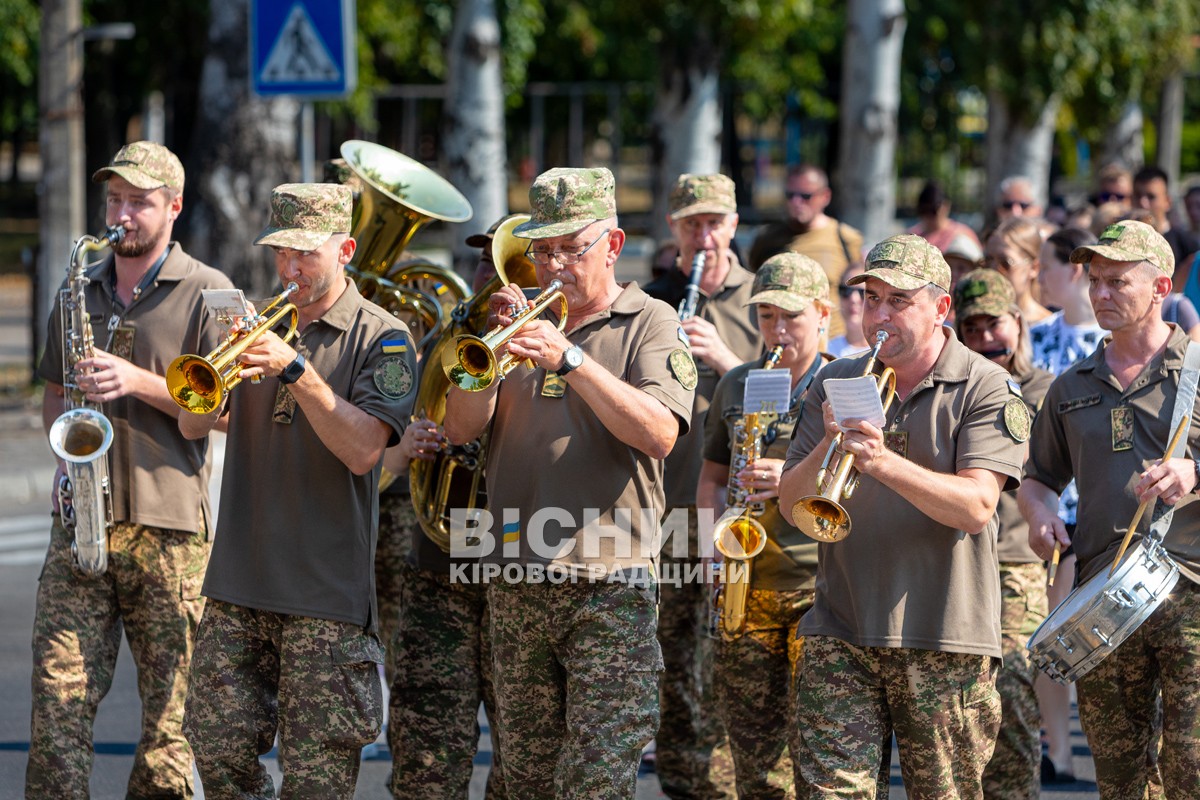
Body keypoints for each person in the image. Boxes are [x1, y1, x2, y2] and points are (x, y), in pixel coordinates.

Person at [442, 166, 695, 797]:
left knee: (593, 779)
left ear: (611, 245)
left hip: (608, 586)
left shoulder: (651, 322)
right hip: (515, 577)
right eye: (542, 250)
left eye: (569, 249)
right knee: (526, 779)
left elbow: (659, 433)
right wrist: (489, 354)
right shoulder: (522, 328)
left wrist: (571, 359)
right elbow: (456, 428)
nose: (553, 266)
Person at [180, 183, 417, 797]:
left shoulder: (384, 337)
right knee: (214, 746)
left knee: (316, 781)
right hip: (238, 581)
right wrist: (213, 368)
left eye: (306, 254)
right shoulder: (255, 320)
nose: (290, 268)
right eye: (282, 252)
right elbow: (190, 423)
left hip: (325, 596)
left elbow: (366, 451)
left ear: (345, 249)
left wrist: (296, 369)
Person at [778, 233, 1029, 797]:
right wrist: (828, 446)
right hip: (839, 628)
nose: (879, 316)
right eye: (871, 299)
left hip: (943, 638)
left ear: (941, 308)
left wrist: (882, 462)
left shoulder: (986, 385)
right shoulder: (835, 378)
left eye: (898, 301)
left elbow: (976, 507)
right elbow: (794, 507)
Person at [25, 141, 234, 800]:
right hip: (80, 523)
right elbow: (56, 392)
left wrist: (141, 382)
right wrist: (66, 460)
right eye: (114, 200)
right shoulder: (78, 286)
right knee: (56, 708)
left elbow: (233, 412)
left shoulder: (211, 293)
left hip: (169, 530)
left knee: (171, 724)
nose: (122, 215)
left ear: (172, 207)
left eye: (139, 202)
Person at [1019, 219, 1200, 799]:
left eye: (1118, 282)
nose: (1100, 294)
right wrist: (1040, 513)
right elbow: (1038, 478)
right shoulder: (1070, 386)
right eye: (1094, 280)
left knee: (1191, 768)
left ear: (1160, 287)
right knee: (1120, 778)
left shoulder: (1197, 371)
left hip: (1191, 589)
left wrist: (1194, 470)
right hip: (1105, 598)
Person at [696, 253, 832, 796]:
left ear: (823, 315)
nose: (777, 330)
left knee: (821, 746)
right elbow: (709, 478)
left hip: (818, 589)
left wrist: (795, 477)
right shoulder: (736, 383)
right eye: (767, 316)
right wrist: (710, 549)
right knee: (753, 750)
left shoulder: (846, 382)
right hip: (746, 586)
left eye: (791, 318)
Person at [644, 173, 759, 799]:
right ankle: (681, 784)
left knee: (727, 667)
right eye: (692, 224)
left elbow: (797, 389)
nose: (704, 236)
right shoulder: (652, 301)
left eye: (714, 222)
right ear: (674, 230)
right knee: (668, 663)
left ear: (735, 225)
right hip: (665, 509)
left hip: (735, 517)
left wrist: (724, 363)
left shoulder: (763, 300)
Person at [384, 223, 506, 799]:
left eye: (506, 268)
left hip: (516, 573)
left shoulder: (550, 350)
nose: (489, 277)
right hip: (439, 565)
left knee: (523, 757)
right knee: (424, 751)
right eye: (482, 265)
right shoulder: (449, 337)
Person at [953, 268, 1054, 800]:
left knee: (1012, 688)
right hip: (956, 563)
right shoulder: (955, 391)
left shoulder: (1048, 391)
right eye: (972, 329)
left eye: (994, 324)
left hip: (1016, 563)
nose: (985, 338)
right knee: (959, 704)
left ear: (1018, 321)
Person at [1028, 225, 1106, 782]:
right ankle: (1059, 753)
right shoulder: (1035, 336)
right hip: (1052, 505)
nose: (1039, 276)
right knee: (1052, 633)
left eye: (1047, 266)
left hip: (1107, 510)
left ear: (1074, 270)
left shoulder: (1113, 341)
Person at [747, 164, 863, 338]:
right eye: (790, 195)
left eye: (805, 196)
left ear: (825, 196)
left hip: (832, 345)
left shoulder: (846, 239)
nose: (796, 202)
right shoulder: (768, 239)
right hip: (782, 340)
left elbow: (860, 291)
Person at [1132, 167, 1200, 298]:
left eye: (1151, 197)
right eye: (1138, 195)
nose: (1143, 203)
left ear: (1167, 201)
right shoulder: (1120, 238)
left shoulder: (1188, 244)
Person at [983, 217, 1052, 325]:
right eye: (987, 261)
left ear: (1034, 268)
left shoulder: (1049, 327)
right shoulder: (975, 325)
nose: (992, 270)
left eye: (1005, 262)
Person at [907, 179, 982, 254]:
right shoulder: (912, 236)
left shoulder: (962, 235)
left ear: (946, 206)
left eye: (933, 210)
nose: (928, 215)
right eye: (923, 210)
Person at [828, 261, 869, 357]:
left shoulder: (885, 352)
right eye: (846, 291)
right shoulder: (826, 350)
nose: (853, 299)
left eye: (862, 292)